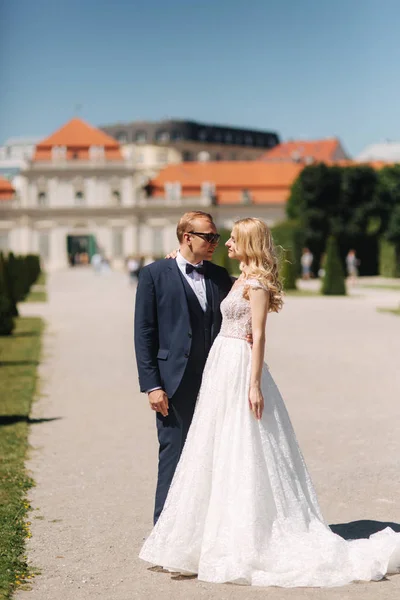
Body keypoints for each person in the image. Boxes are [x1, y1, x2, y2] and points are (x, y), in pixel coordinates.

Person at [140, 217, 400, 587]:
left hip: (241, 368)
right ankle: (199, 536)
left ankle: (245, 535)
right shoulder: (237, 280)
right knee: (214, 448)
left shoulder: (257, 283)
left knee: (245, 448)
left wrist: (255, 384)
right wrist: (175, 261)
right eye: (215, 237)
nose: (224, 242)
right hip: (220, 371)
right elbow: (192, 282)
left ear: (247, 242)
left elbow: (259, 335)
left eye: (229, 238)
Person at [134, 211, 234, 525]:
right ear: (187, 236)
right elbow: (144, 332)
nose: (214, 243)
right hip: (173, 383)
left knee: (216, 456)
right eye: (209, 237)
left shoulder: (219, 276)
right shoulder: (154, 274)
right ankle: (164, 530)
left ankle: (206, 528)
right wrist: (152, 385)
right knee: (173, 457)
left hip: (217, 381)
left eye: (217, 237)